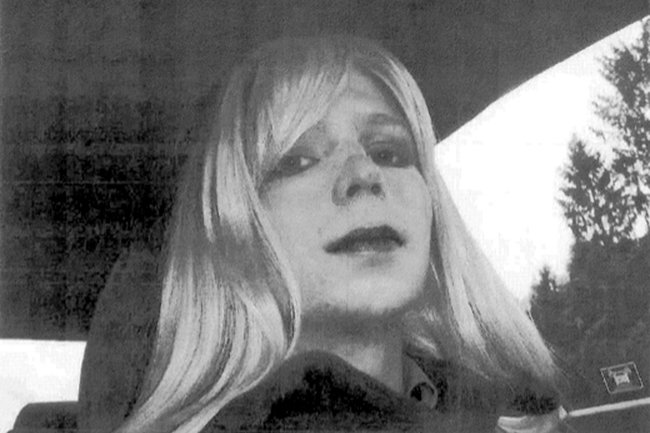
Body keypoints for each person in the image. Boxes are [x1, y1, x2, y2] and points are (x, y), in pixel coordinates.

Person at [80, 36, 566, 433]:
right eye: (298, 159)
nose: (365, 173)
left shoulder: (520, 416)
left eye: (390, 152)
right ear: (234, 225)